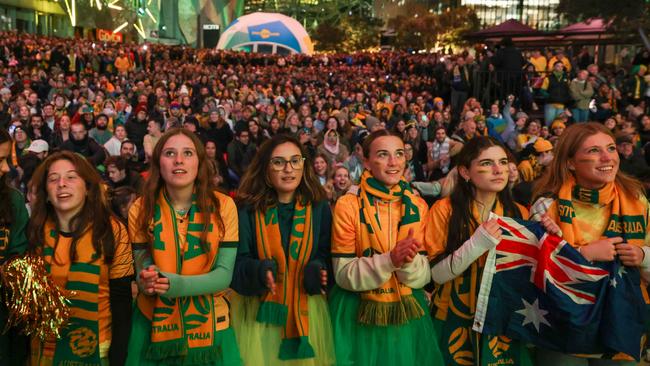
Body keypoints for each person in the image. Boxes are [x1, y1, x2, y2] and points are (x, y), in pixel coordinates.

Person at [530, 122, 650, 365]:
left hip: (622, 318)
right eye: (594, 151)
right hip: (562, 323)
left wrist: (642, 255)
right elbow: (533, 269)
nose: (608, 157)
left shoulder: (636, 199)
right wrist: (583, 254)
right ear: (570, 162)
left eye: (611, 148)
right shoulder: (546, 205)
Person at [126, 128, 241, 366]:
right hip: (152, 324)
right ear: (158, 162)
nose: (179, 160)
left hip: (211, 326)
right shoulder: (140, 208)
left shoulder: (224, 206)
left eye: (188, 153)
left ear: (199, 161)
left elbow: (223, 275)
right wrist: (147, 278)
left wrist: (177, 285)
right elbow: (142, 263)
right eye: (170, 153)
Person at [330, 130, 443, 365]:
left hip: (407, 313)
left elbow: (422, 277)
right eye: (383, 155)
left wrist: (409, 261)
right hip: (357, 313)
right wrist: (389, 260)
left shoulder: (418, 205)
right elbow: (342, 274)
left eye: (399, 154)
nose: (394, 162)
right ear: (367, 162)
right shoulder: (348, 205)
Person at [230, 134, 335, 365]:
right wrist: (259, 271)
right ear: (266, 168)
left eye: (295, 161)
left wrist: (318, 269)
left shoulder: (319, 207)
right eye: (279, 162)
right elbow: (237, 264)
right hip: (260, 314)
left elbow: (325, 255)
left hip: (306, 310)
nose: (288, 169)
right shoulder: (247, 210)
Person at [425, 136, 530, 365]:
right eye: (486, 163)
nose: (498, 170)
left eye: (503, 162)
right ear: (465, 172)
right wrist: (477, 244)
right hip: (453, 316)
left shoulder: (520, 213)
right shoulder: (443, 210)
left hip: (501, 317)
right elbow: (436, 274)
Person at [28, 151, 134, 365]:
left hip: (98, 351)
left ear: (87, 187)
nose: (62, 184)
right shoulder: (34, 232)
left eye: (71, 177)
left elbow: (121, 299)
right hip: (44, 351)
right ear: (46, 193)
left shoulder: (112, 231)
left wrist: (118, 356)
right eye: (53, 179)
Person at [0, 129, 29, 365]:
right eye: (0, 160)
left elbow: (18, 254)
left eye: (6, 160)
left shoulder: (14, 200)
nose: (6, 168)